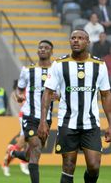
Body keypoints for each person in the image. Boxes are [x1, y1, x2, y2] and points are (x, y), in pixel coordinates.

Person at [38, 29, 111, 183]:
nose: (76, 41)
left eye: (80, 38)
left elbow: (105, 95)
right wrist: (43, 121)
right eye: (73, 38)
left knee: (93, 166)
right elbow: (47, 92)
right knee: (68, 166)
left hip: (90, 124)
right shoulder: (59, 64)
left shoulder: (99, 65)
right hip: (67, 123)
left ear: (88, 42)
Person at [2, 40, 54, 182]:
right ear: (37, 51)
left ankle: (12, 152)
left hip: (46, 118)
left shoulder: (56, 70)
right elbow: (19, 89)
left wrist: (58, 96)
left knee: (30, 155)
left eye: (46, 48)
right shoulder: (27, 70)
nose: (43, 50)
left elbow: (61, 92)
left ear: (51, 52)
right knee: (36, 147)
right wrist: (18, 95)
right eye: (40, 47)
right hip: (29, 116)